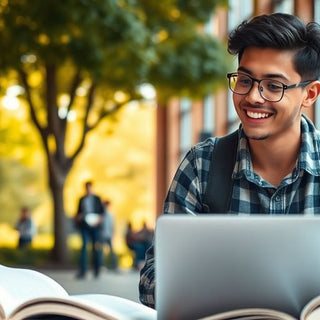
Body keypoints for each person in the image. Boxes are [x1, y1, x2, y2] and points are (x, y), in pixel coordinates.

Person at [139, 13, 320, 308]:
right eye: (245, 80)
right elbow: (152, 282)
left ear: (310, 94)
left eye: (274, 86)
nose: (253, 97)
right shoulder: (202, 165)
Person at [74, 181, 104, 279]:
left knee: (96, 248)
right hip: (84, 225)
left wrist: (98, 220)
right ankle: (83, 271)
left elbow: (102, 214)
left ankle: (96, 270)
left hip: (95, 226)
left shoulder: (97, 199)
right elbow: (78, 213)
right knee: (84, 248)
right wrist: (79, 217)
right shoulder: (81, 199)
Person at [101, 200, 118, 270]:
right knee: (101, 252)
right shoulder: (102, 215)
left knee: (112, 251)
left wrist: (113, 235)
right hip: (102, 235)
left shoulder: (111, 215)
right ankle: (101, 266)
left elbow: (113, 226)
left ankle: (114, 266)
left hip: (109, 235)